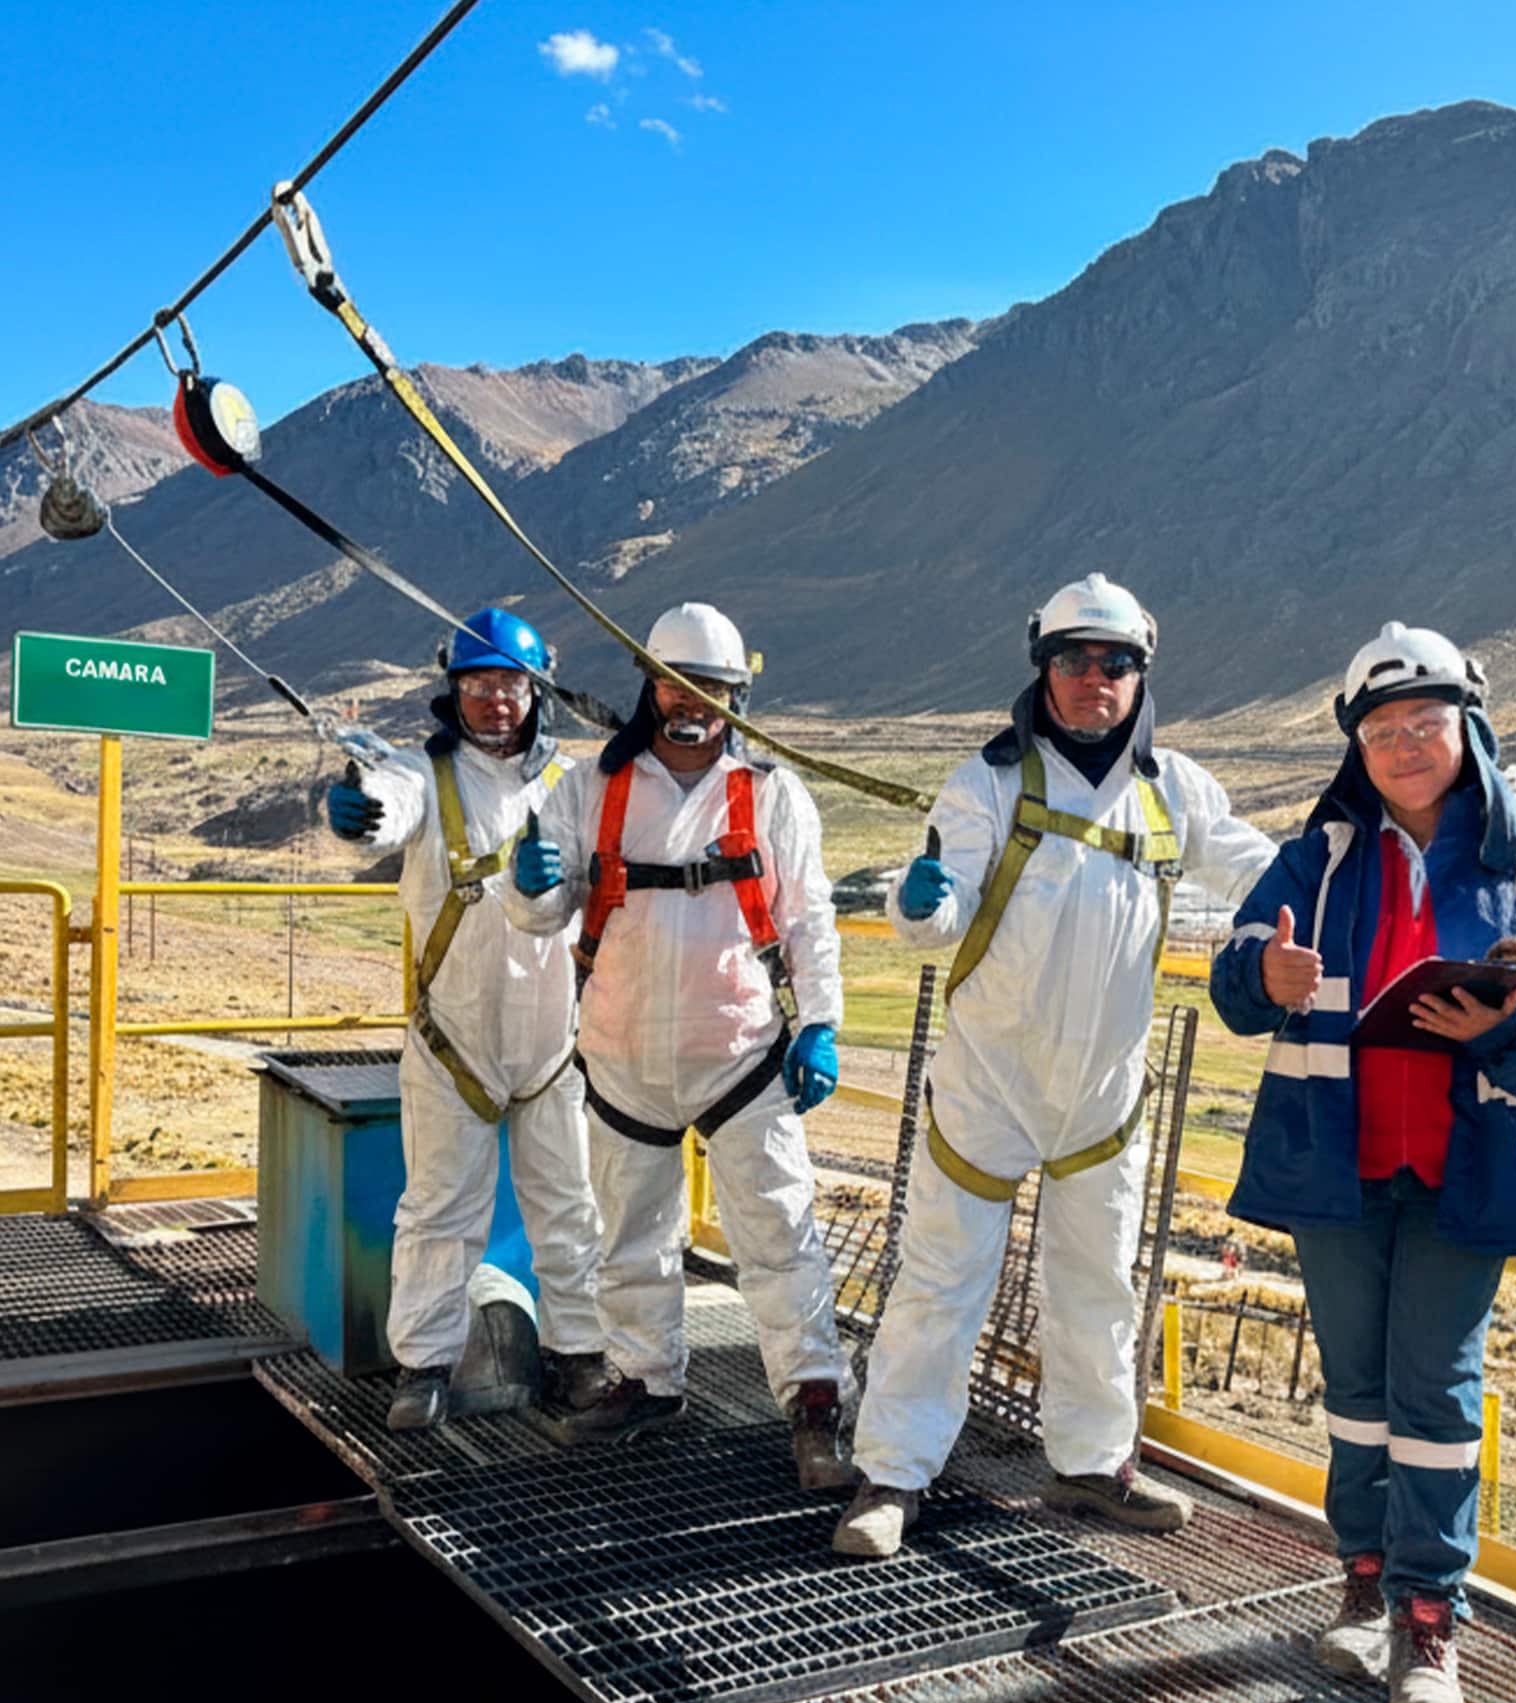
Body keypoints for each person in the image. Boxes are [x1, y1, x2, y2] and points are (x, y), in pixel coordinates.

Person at [1209, 622, 1516, 1703]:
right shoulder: (1315, 858)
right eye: (1381, 730)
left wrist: (1509, 1034)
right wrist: (1265, 969)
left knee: (1434, 1392)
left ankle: (1428, 1619)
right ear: (1356, 745)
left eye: (1423, 725)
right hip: (1334, 1168)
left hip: (1466, 1174)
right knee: (1353, 1388)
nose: (1403, 746)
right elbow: (1232, 977)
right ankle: (1359, 1576)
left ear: (1467, 732)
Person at [834, 573, 1276, 1557]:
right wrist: (919, 900)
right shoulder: (986, 780)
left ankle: (1089, 1462)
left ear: (1138, 674)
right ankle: (890, 1474)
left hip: (1102, 1099)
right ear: (1042, 670)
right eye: (1073, 660)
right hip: (988, 1085)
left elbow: (1259, 869)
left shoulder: (1175, 793)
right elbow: (935, 917)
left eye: (1113, 662)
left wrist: (1347, 877)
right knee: (941, 1278)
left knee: (1097, 1281)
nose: (1093, 679)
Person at [501, 603, 851, 1484]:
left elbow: (809, 919)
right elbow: (548, 914)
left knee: (778, 1231)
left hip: (741, 1058)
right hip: (624, 1061)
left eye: (714, 688)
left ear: (734, 696)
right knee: (629, 1234)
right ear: (650, 687)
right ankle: (647, 1380)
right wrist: (531, 888)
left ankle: (813, 1400)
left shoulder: (771, 794)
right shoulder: (590, 790)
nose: (694, 702)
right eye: (678, 683)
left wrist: (820, 1023)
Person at [324, 608, 605, 1432]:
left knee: (569, 1206)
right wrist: (357, 809)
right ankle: (424, 1365)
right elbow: (385, 804)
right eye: (477, 685)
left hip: (555, 1039)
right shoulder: (422, 776)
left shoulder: (572, 787)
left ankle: (580, 1355)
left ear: (536, 690)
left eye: (509, 685)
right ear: (453, 693)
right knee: (440, 1208)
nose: (494, 701)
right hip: (453, 1043)